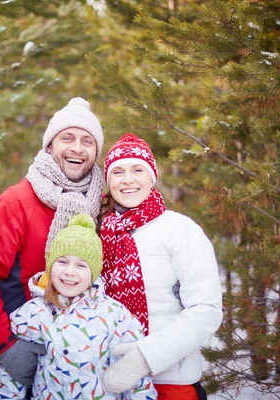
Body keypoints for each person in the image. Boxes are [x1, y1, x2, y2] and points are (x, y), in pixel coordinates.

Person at [0, 97, 105, 387]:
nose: (77, 147)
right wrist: (6, 347)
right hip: (28, 351)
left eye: (88, 141)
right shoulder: (16, 202)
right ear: (49, 146)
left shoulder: (102, 205)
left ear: (95, 152)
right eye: (67, 138)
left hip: (86, 362)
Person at [98, 133, 223, 400]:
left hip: (170, 382)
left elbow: (206, 309)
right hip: (103, 380)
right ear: (108, 181)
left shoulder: (179, 229)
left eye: (137, 170)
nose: (128, 179)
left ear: (152, 177)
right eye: (118, 172)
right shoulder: (97, 232)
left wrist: (145, 358)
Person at [0, 213, 157, 400]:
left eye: (81, 265)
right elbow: (10, 380)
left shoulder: (115, 316)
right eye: (62, 261)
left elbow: (135, 379)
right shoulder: (32, 314)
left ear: (94, 272)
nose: (69, 272)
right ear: (50, 265)